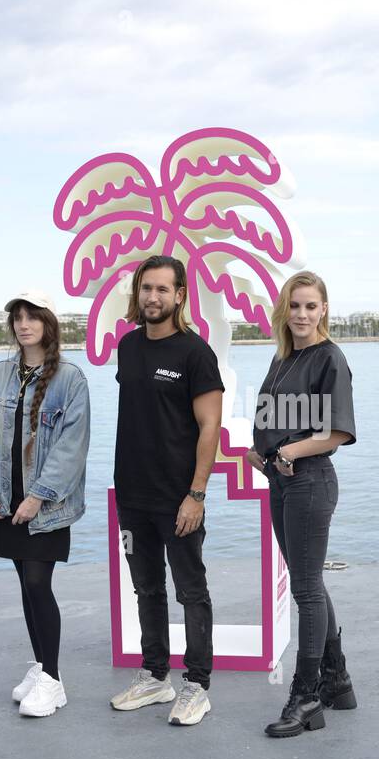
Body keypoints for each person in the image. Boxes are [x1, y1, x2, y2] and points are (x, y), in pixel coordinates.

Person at [108, 255, 224, 726]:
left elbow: (209, 427)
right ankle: (157, 676)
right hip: (132, 496)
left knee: (191, 591)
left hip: (178, 499)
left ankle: (197, 686)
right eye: (145, 288)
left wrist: (195, 494)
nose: (152, 297)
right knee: (146, 588)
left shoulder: (196, 353)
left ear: (180, 295)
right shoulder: (129, 347)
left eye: (162, 289)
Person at [0, 290, 90, 717]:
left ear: (48, 324)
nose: (23, 324)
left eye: (32, 317)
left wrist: (38, 498)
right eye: (17, 317)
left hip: (46, 506)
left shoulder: (70, 378)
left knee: (39, 583)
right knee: (24, 583)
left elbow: (72, 448)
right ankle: (40, 667)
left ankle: (54, 681)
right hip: (3, 499)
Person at [246, 271, 357, 738]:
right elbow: (276, 423)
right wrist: (262, 452)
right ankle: (338, 680)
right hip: (281, 480)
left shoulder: (330, 357)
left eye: (310, 306)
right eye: (294, 306)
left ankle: (307, 694)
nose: (302, 314)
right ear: (283, 310)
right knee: (308, 583)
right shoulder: (281, 359)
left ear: (324, 309)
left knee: (306, 590)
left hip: (310, 481)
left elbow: (337, 432)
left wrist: (289, 451)